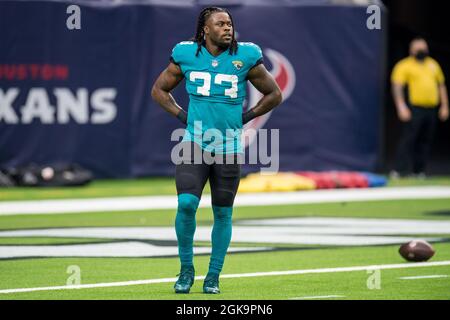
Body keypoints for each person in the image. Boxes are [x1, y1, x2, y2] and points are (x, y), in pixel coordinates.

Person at [151, 7, 282, 294]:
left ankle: (213, 275)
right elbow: (159, 89)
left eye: (229, 23)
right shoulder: (186, 53)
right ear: (204, 30)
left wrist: (245, 118)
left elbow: (274, 94)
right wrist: (182, 116)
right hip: (194, 143)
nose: (227, 28)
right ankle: (186, 269)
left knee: (222, 213)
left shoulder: (245, 55)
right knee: (186, 205)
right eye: (220, 24)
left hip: (229, 147)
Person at [390, 37, 448, 178]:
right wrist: (401, 106)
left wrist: (445, 106)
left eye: (424, 48)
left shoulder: (433, 65)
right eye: (418, 48)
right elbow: (397, 86)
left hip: (431, 107)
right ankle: (398, 170)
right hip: (414, 107)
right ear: (412, 50)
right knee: (409, 138)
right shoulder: (404, 66)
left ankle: (418, 171)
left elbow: (441, 85)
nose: (422, 51)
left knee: (425, 140)